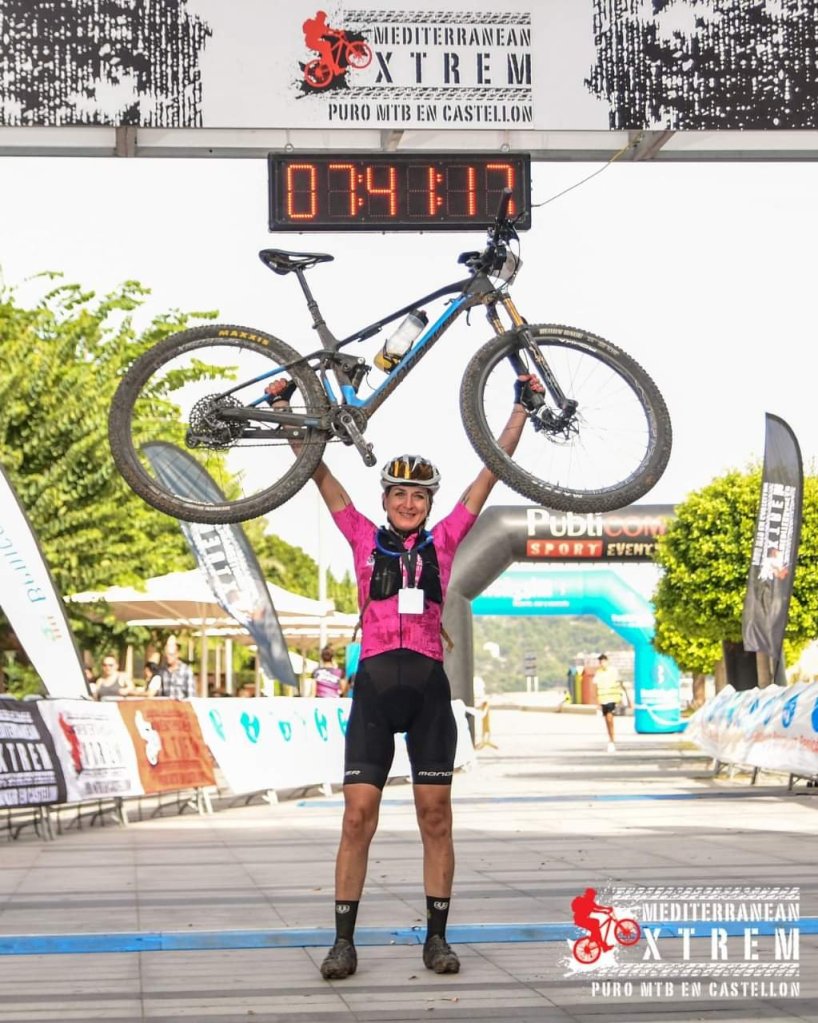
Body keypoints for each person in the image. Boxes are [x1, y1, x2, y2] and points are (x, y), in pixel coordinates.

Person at [267, 372, 542, 981]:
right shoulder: (362, 537)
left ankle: (436, 940)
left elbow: (489, 474)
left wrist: (521, 409)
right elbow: (319, 474)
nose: (409, 503)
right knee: (356, 818)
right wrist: (286, 409)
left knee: (435, 817)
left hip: (427, 695)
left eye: (419, 495)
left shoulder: (445, 541)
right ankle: (343, 943)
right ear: (386, 498)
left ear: (430, 503)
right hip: (373, 691)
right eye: (399, 493)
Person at [594, 653, 623, 753]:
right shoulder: (598, 673)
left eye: (603, 661)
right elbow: (596, 687)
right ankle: (610, 738)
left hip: (612, 698)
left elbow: (620, 684)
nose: (602, 663)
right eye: (600, 662)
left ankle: (612, 740)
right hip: (603, 699)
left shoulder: (613, 671)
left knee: (610, 718)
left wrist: (622, 698)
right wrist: (597, 702)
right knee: (606, 719)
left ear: (607, 661)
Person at [571, 887, 614, 953]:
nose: (594, 897)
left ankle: (596, 939)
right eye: (593, 895)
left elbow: (595, 908)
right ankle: (602, 945)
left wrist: (605, 911)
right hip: (580, 920)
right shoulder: (586, 901)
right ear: (590, 895)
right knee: (596, 928)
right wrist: (606, 909)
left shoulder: (587, 901)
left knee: (596, 924)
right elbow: (596, 908)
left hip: (580, 919)